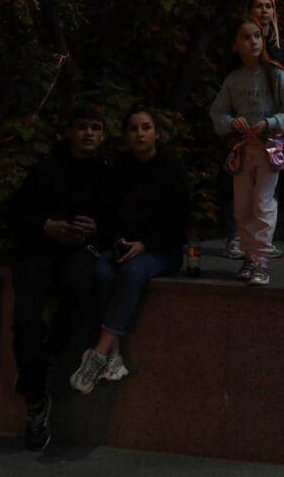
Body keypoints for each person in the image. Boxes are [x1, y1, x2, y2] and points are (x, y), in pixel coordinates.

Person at [8, 103, 110, 451]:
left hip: (80, 251)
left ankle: (44, 358)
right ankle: (35, 405)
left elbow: (118, 220)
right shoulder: (46, 168)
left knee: (79, 290)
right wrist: (46, 225)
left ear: (103, 135)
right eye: (82, 126)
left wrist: (95, 227)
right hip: (39, 248)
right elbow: (16, 211)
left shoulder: (107, 173)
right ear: (70, 131)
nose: (89, 134)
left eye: (95, 127)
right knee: (25, 320)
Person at [68, 107, 189, 395]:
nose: (140, 133)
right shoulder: (119, 169)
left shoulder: (172, 170)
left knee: (133, 272)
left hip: (161, 250)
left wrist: (145, 245)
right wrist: (120, 239)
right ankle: (115, 357)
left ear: (156, 133)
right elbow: (109, 214)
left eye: (146, 127)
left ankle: (98, 352)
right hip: (124, 246)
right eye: (133, 128)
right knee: (103, 272)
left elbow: (178, 222)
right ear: (125, 135)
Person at [210, 17, 284, 285]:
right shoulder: (233, 80)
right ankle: (249, 257)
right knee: (242, 207)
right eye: (246, 37)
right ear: (234, 45)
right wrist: (231, 122)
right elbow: (217, 112)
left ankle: (261, 261)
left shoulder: (276, 74)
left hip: (268, 150)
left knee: (263, 204)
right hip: (242, 152)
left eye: (256, 36)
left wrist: (270, 123)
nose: (253, 42)